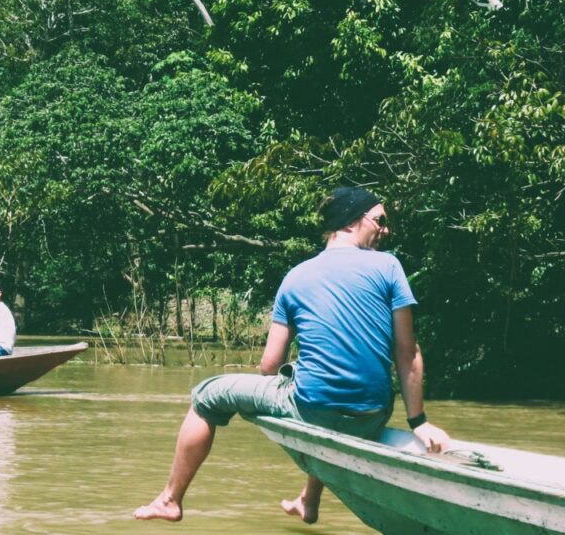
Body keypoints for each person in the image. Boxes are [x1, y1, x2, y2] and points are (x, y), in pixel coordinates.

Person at [133, 186, 451, 524]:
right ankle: (308, 500)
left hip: (312, 410)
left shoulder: (295, 277)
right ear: (352, 221)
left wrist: (300, 371)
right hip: (371, 415)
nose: (386, 230)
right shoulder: (389, 267)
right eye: (381, 220)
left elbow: (269, 366)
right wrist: (419, 422)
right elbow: (407, 351)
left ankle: (170, 499)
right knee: (322, 388)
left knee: (207, 395)